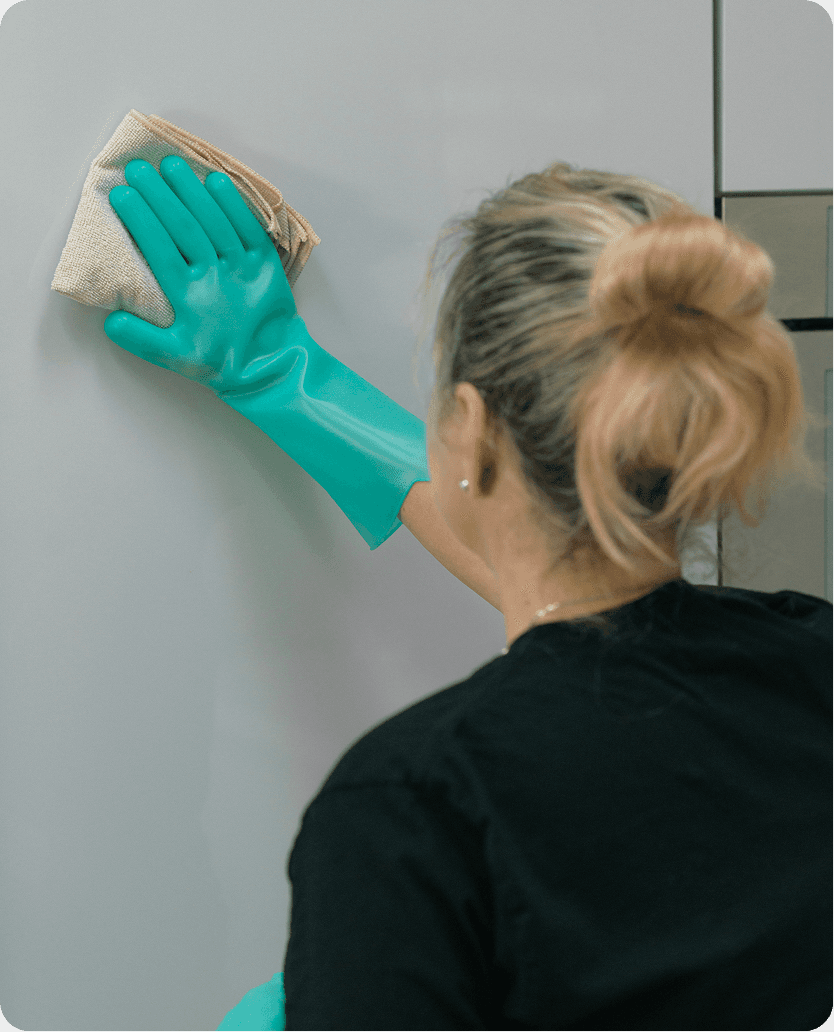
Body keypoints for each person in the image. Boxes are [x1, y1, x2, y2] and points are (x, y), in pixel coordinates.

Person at [103, 156, 832, 1031]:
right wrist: (285, 377)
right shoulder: (813, 665)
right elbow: (611, 628)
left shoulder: (415, 810)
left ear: (472, 428)